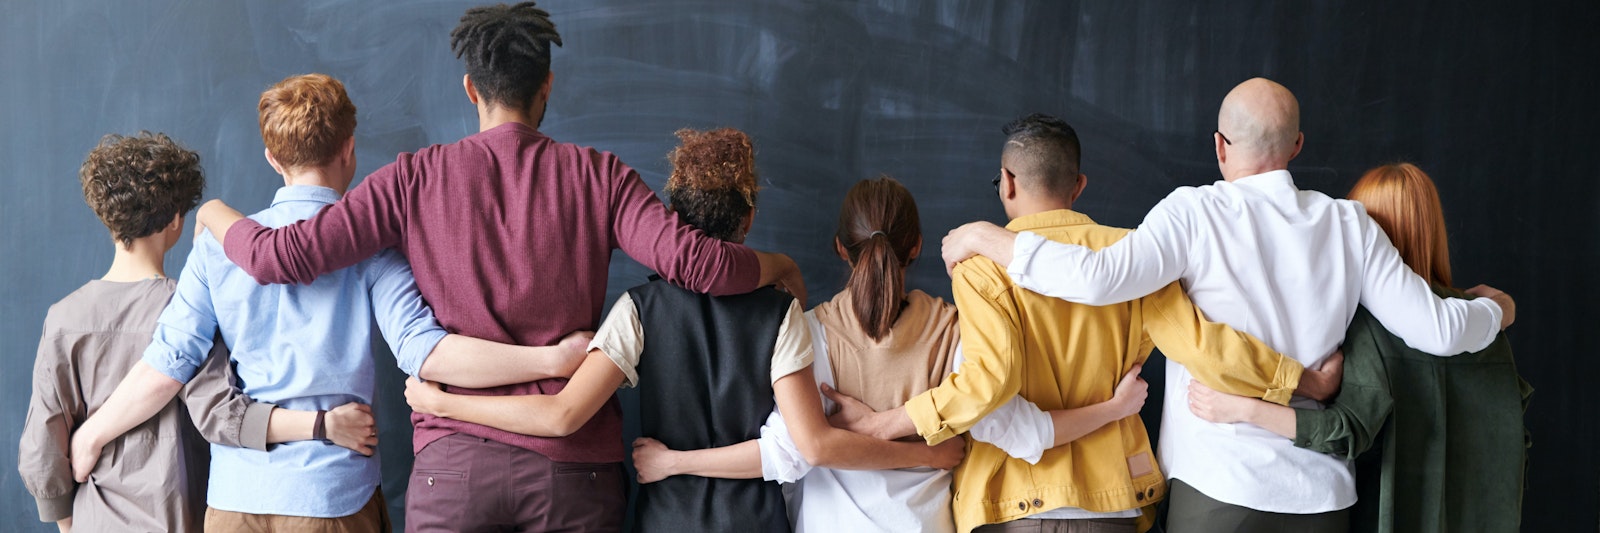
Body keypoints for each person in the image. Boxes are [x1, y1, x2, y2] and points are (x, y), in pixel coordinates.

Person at [193, 5, 806, 529]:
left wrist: (214, 211)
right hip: (575, 471)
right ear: (547, 86)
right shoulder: (601, 176)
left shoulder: (411, 179)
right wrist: (777, 262)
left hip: (451, 472)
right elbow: (699, 264)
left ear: (470, 88)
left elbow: (281, 257)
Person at [939, 79, 1516, 531]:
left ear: (1218, 145)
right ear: (1296, 147)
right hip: (1322, 496)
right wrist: (1495, 308)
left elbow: (1097, 276)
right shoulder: (1350, 224)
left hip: (1217, 491)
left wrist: (984, 238)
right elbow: (1440, 331)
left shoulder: (1191, 213)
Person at [68, 74, 590, 532]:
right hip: (332, 500)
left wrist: (92, 435)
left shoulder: (215, 247)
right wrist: (552, 359)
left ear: (272, 158)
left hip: (234, 504)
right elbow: (425, 353)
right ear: (349, 148)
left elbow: (168, 364)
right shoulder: (373, 248)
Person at [404, 129, 964, 532]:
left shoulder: (638, 309)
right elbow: (807, 444)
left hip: (666, 518)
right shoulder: (783, 314)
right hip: (755, 520)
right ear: (748, 220)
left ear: (671, 217)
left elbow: (562, 414)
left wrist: (445, 403)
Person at [821, 114, 1332, 533]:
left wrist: (883, 425)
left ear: (1008, 183)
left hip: (1013, 504)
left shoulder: (980, 268)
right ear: (1079, 185)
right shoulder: (1136, 255)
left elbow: (986, 384)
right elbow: (1204, 347)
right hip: (1113, 499)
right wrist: (1299, 380)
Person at [627, 175, 1152, 533]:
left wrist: (673, 462)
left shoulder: (810, 331)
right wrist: (1114, 408)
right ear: (918, 245)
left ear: (839, 248)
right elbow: (1018, 432)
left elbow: (787, 453)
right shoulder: (955, 327)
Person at [18, 131, 377, 533]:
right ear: (176, 220)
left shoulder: (64, 317)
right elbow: (222, 413)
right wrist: (323, 425)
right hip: (179, 516)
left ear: (107, 218)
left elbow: (41, 444)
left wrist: (69, 522)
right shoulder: (189, 306)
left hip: (94, 517)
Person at [1186, 162, 1532, 533]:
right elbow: (1516, 438)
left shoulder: (1367, 325)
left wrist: (1244, 409)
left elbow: (1344, 431)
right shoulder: (1483, 328)